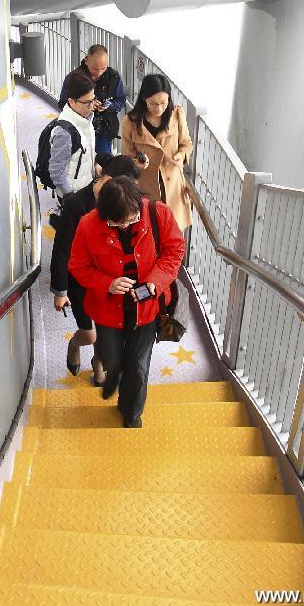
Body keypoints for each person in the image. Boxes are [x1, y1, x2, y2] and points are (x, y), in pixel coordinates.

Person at [69, 176, 185, 427]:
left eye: (130, 219)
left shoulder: (158, 214)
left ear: (138, 206)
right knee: (113, 360)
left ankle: (131, 415)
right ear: (103, 214)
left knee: (138, 368)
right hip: (107, 310)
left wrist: (155, 281)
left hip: (147, 309)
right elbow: (77, 266)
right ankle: (116, 380)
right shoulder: (88, 225)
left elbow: (175, 251)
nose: (123, 225)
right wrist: (106, 283)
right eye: (115, 222)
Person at [51, 155, 141, 386]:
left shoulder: (123, 205)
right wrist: (60, 290)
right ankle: (75, 344)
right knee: (90, 333)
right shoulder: (75, 205)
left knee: (107, 330)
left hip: (110, 277)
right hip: (80, 278)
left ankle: (99, 366)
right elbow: (62, 250)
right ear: (108, 179)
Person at [121, 73, 193, 230]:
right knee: (150, 234)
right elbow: (127, 158)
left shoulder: (177, 114)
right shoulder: (130, 122)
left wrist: (181, 155)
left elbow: (186, 143)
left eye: (164, 103)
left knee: (173, 235)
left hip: (173, 189)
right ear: (144, 98)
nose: (159, 108)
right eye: (153, 103)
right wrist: (137, 163)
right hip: (146, 188)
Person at [58, 44, 126, 155]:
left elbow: (121, 99)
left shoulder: (114, 77)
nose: (99, 73)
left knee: (104, 161)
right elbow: (62, 104)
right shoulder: (74, 79)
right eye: (95, 68)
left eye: (103, 68)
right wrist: (87, 105)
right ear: (86, 60)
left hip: (104, 129)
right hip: (79, 128)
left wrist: (110, 105)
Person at [48, 69, 96, 198]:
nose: (92, 106)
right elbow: (56, 171)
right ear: (71, 101)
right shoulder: (64, 133)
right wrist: (70, 196)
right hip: (73, 196)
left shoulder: (85, 118)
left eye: (93, 100)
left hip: (86, 187)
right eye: (87, 102)